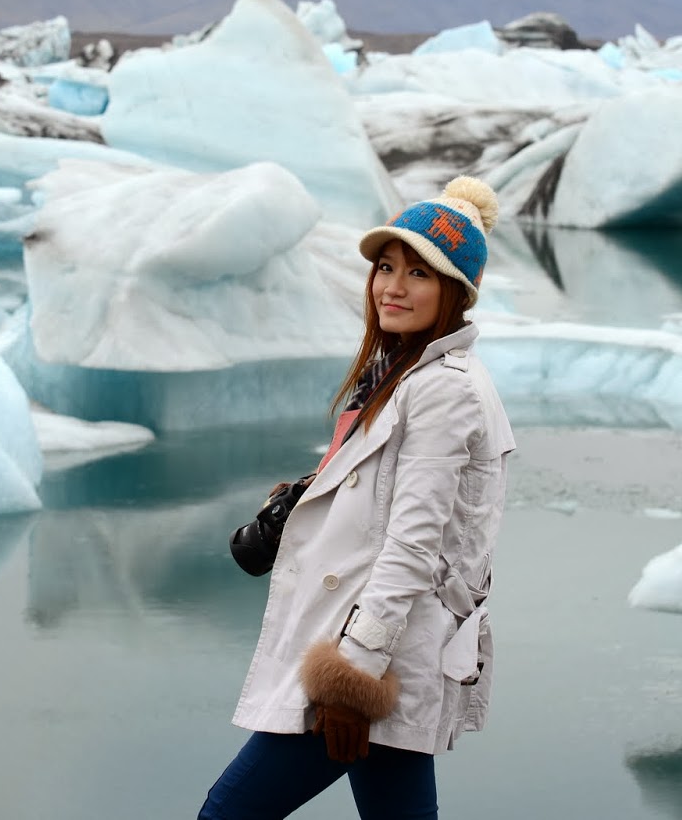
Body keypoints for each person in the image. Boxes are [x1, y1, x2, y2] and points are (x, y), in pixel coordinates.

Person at [199, 177, 516, 820]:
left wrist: (353, 678)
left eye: (419, 274)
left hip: (374, 658)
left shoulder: (444, 390)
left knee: (227, 813)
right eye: (386, 268)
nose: (392, 287)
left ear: (455, 289)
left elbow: (416, 545)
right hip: (386, 647)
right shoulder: (401, 373)